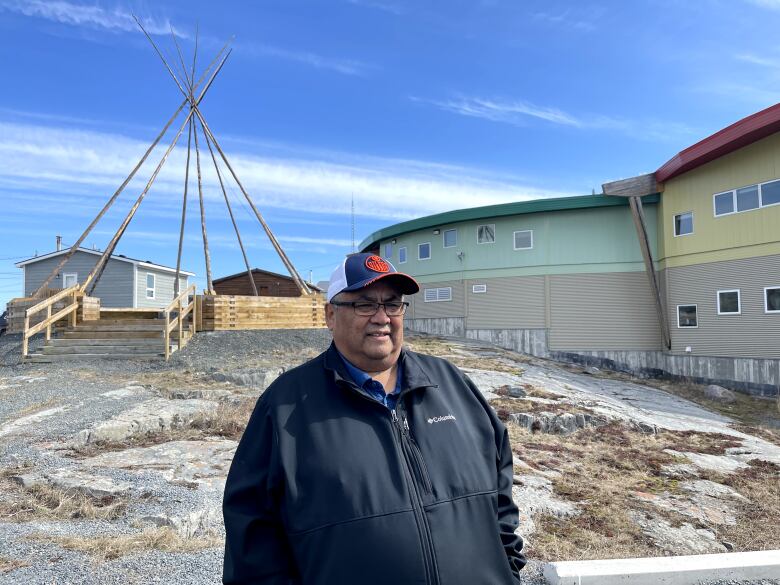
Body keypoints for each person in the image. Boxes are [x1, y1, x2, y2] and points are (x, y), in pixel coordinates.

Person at [222, 252, 526, 585]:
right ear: (330, 315)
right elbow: (252, 537)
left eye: (393, 304)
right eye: (365, 304)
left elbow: (500, 486)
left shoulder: (451, 383)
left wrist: (508, 568)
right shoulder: (285, 406)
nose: (382, 317)